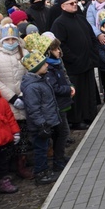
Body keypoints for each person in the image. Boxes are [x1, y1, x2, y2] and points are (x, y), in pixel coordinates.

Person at [51, 0, 99, 131]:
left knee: (89, 90)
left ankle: (90, 114)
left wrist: (93, 52)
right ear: (63, 6)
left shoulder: (80, 18)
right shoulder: (59, 23)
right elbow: (61, 45)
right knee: (77, 94)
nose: (74, 5)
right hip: (74, 65)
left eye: (75, 3)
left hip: (87, 61)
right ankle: (77, 120)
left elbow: (90, 36)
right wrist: (73, 58)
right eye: (71, 4)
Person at [0, 23, 33, 179]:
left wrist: (23, 93)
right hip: (5, 102)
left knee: (23, 134)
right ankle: (6, 168)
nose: (10, 42)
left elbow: (30, 73)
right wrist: (12, 97)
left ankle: (21, 163)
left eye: (13, 39)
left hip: (24, 98)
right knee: (8, 136)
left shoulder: (24, 53)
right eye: (7, 40)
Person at [19, 50, 60, 185]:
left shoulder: (41, 80)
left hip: (46, 122)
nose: (47, 66)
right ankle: (40, 173)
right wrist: (42, 124)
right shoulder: (32, 87)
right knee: (40, 149)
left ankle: (44, 170)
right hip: (39, 125)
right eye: (43, 64)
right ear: (36, 68)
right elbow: (34, 108)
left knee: (44, 147)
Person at [37, 32, 73, 173]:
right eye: (55, 49)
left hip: (62, 103)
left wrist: (70, 87)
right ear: (48, 52)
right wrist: (67, 89)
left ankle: (60, 157)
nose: (59, 51)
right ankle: (58, 160)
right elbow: (55, 87)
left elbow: (64, 78)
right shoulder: (49, 69)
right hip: (57, 105)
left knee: (62, 132)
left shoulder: (56, 64)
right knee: (62, 132)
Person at [0, 74, 20, 199]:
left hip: (3, 137)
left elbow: (10, 118)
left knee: (2, 161)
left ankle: (3, 181)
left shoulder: (2, 101)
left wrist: (15, 132)